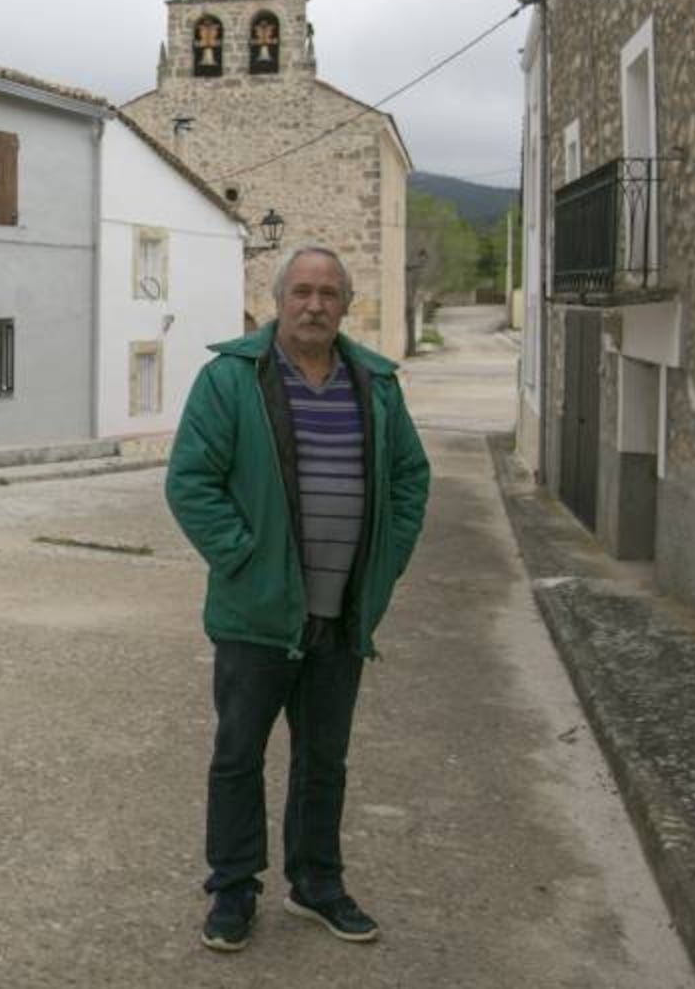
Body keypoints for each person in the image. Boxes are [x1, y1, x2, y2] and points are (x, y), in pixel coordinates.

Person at [165, 243, 431, 953]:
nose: (314, 305)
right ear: (278, 300)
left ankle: (316, 883)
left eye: (329, 294)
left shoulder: (375, 384)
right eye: (302, 292)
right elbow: (190, 481)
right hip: (257, 617)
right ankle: (232, 889)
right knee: (237, 755)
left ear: (346, 305)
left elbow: (409, 480)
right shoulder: (230, 380)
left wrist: (384, 565)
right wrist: (246, 561)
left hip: (340, 616)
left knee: (324, 759)